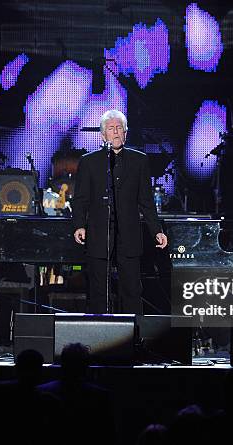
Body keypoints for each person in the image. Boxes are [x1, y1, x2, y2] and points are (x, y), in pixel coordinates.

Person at [73, 109, 168, 314]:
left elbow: (146, 200)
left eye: (119, 128)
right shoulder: (89, 162)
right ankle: (99, 336)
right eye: (111, 129)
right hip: (99, 233)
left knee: (132, 289)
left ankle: (134, 338)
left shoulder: (139, 160)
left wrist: (156, 230)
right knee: (99, 290)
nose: (115, 132)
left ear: (125, 133)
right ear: (103, 134)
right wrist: (79, 225)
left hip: (129, 234)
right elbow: (80, 198)